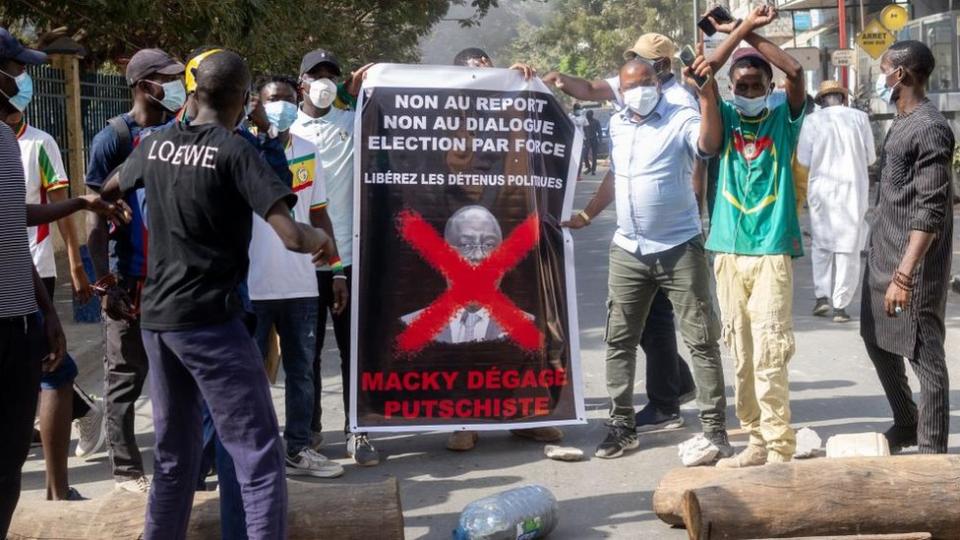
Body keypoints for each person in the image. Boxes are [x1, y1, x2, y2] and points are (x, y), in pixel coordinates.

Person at [100, 49, 334, 540]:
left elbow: (108, 189)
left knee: (174, 455)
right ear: (245, 100)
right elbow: (291, 235)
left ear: (193, 94)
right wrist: (320, 241)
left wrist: (113, 233)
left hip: (159, 323)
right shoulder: (235, 152)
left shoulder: (156, 145)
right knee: (258, 453)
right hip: (211, 323)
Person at [564, 47, 730, 459]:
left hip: (678, 246)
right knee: (619, 340)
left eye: (644, 84)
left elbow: (708, 145)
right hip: (628, 249)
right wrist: (586, 213)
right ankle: (621, 427)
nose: (637, 91)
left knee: (701, 342)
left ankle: (714, 429)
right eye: (629, 86)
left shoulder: (680, 115)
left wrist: (707, 94)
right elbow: (616, 176)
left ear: (657, 83)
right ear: (621, 91)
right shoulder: (618, 125)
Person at [0, 26, 126, 534]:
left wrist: (45, 312)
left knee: (8, 461)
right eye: (15, 67)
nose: (21, 76)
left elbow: (11, 221)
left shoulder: (8, 140)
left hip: (16, 316)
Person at [547, 33, 699, 432]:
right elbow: (617, 167)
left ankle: (667, 402)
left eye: (646, 65)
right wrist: (556, 79)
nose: (631, 86)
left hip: (672, 237)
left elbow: (698, 160)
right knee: (645, 319)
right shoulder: (630, 99)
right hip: (634, 239)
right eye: (632, 64)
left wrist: (696, 212)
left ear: (661, 69)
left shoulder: (680, 105)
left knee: (657, 321)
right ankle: (676, 385)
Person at [435, 47, 563, 451]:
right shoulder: (440, 117)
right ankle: (464, 419)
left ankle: (525, 415)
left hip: (512, 237)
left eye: (489, 74)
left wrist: (520, 87)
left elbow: (534, 152)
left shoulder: (510, 112)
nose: (483, 81)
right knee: (463, 332)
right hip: (459, 241)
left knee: (520, 330)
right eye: (475, 74)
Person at [702, 5, 806, 468]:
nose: (747, 92)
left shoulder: (785, 118)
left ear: (770, 89)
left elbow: (797, 70)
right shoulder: (721, 117)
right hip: (727, 250)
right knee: (741, 355)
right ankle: (757, 440)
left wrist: (748, 35)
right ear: (731, 89)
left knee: (769, 349)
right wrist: (738, 29)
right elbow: (701, 74)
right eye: (740, 86)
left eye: (755, 86)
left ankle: (781, 447)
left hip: (770, 252)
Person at [85, 47, 185, 493]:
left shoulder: (181, 129)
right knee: (124, 378)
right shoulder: (115, 137)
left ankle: (180, 466)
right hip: (130, 277)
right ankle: (126, 472)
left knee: (175, 377)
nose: (178, 84)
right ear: (146, 85)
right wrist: (106, 284)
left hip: (174, 279)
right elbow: (94, 217)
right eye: (168, 77)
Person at [4, 104, 105, 500]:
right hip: (18, 278)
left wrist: (75, 264)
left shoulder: (37, 143)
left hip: (32, 269)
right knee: (48, 372)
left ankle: (56, 488)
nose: (18, 85)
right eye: (12, 73)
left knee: (50, 369)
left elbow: (23, 217)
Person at [248, 75, 343, 479]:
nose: (280, 106)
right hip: (250, 282)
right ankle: (251, 451)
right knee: (249, 374)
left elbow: (317, 212)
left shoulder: (308, 150)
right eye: (272, 100)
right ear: (257, 103)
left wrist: (335, 267)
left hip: (301, 281)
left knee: (302, 370)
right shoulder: (243, 149)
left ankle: (299, 448)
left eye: (287, 99)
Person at [863, 41, 954, 455]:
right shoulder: (901, 121)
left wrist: (905, 274)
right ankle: (906, 421)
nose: (881, 77)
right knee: (876, 338)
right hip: (883, 254)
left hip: (910, 266)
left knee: (923, 354)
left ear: (901, 74)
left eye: (884, 70)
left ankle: (932, 453)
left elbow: (931, 209)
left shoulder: (930, 126)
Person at [291, 48, 379, 465]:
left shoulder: (352, 123)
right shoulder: (285, 129)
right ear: (302, 81)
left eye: (332, 75)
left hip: (347, 258)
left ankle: (356, 430)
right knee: (305, 353)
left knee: (352, 351)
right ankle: (308, 433)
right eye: (317, 74)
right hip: (299, 260)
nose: (324, 82)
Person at [797, 80, 876, 323]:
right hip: (853, 190)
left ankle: (822, 297)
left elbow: (803, 159)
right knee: (848, 249)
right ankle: (840, 306)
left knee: (822, 245)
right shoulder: (860, 118)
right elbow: (871, 158)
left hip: (823, 189)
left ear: (821, 100)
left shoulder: (812, 121)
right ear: (843, 98)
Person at [400, 206, 535, 343]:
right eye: (465, 245)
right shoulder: (408, 327)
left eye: (489, 245)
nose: (478, 256)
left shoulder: (528, 326)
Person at [584, 109, 601, 174]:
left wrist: (600, 139)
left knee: (594, 156)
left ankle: (593, 170)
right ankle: (588, 167)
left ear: (591, 115)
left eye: (589, 115)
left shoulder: (596, 122)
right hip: (587, 140)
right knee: (585, 155)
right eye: (587, 115)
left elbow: (599, 131)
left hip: (594, 139)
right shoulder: (585, 122)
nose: (587, 116)